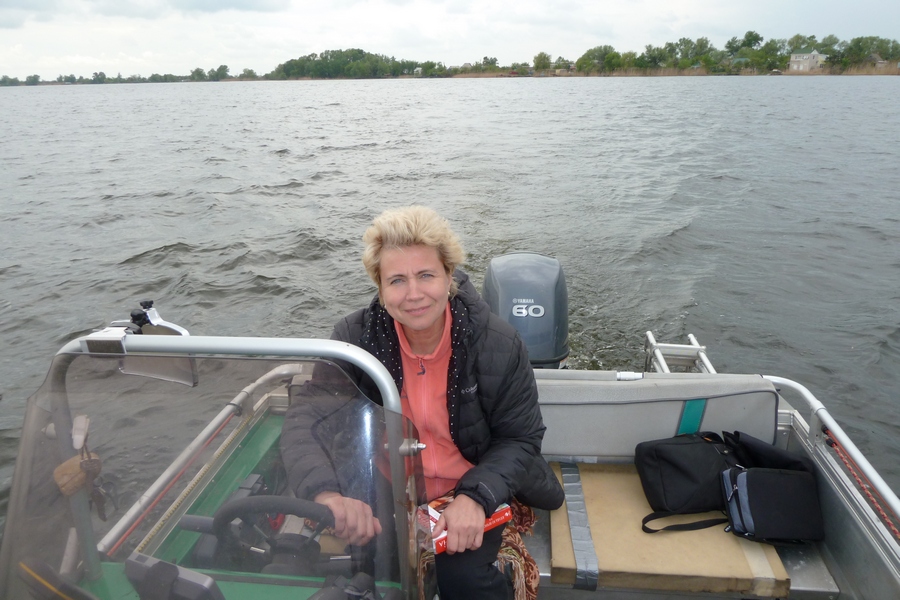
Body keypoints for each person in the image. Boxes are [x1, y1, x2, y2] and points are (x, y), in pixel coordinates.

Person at [281, 205, 563, 599]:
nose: (413, 294)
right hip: (389, 481)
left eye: (426, 275)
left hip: (472, 481)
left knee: (464, 579)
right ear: (381, 289)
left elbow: (520, 438)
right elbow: (305, 421)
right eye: (397, 280)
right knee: (375, 569)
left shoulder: (497, 343)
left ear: (449, 276)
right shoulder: (354, 338)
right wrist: (327, 493)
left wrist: (475, 497)